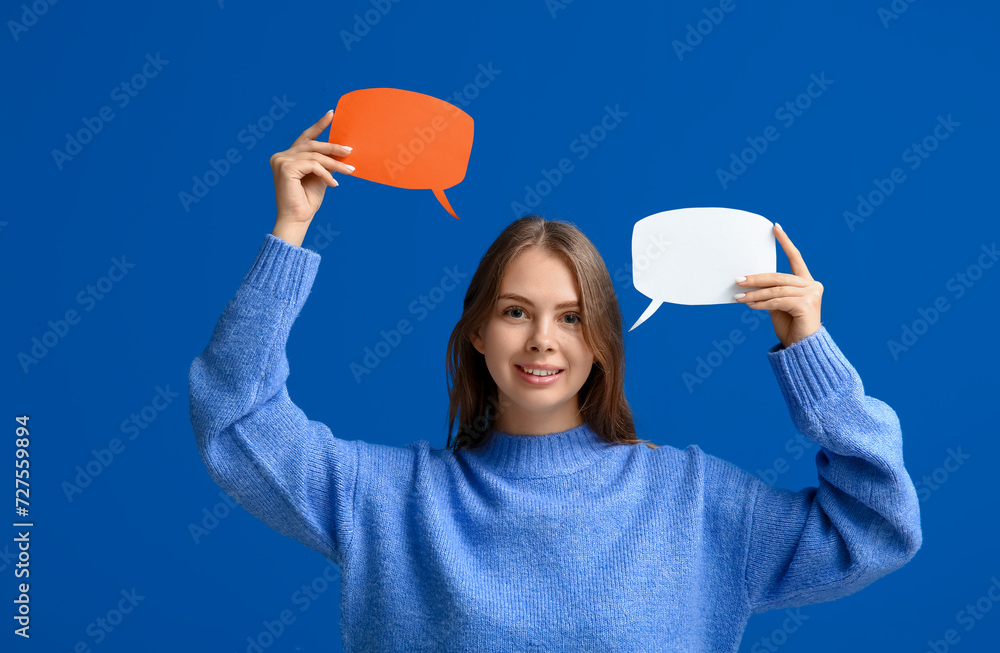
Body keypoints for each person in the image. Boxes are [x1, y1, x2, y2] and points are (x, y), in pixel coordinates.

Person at [188, 110, 922, 652]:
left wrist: (811, 355)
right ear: (478, 331)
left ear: (602, 341)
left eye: (571, 317)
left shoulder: (692, 502)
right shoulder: (389, 501)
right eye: (516, 311)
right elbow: (236, 419)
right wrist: (289, 232)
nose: (542, 338)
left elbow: (877, 525)